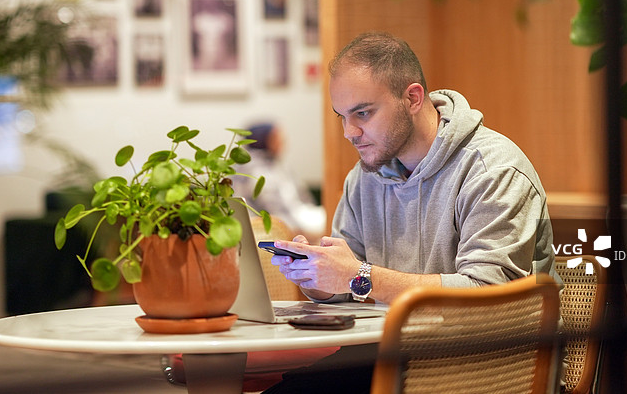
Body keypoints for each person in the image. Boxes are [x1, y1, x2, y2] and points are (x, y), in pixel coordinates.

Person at [263, 31, 557, 393]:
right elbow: (351, 284)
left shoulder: (493, 171)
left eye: (363, 113)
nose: (350, 132)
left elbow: (488, 297)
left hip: (487, 368)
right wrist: (320, 279)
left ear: (413, 98)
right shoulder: (364, 178)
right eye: (342, 116)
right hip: (394, 355)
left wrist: (361, 275)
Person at [234, 122, 326, 241]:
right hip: (271, 223)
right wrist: (298, 230)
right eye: (276, 138)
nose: (282, 142)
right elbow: (272, 207)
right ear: (262, 139)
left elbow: (302, 196)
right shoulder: (253, 168)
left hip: (296, 214)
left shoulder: (276, 164)